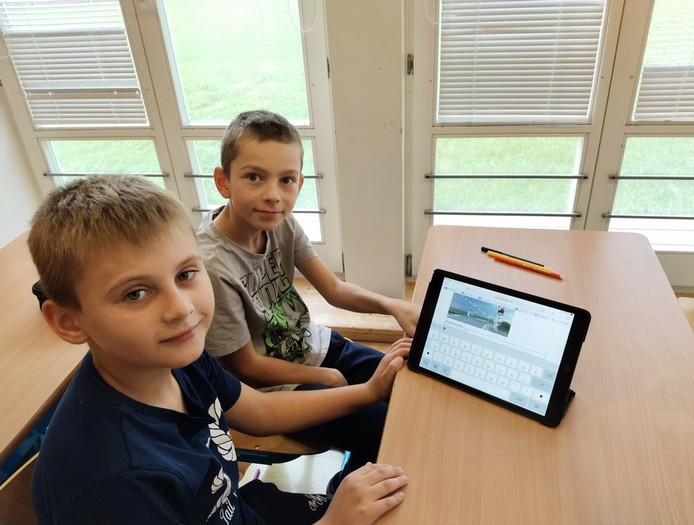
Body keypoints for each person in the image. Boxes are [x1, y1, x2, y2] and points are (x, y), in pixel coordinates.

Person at [28, 176, 410, 525]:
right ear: (69, 321)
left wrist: (368, 391)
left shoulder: (177, 360)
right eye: (135, 294)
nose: (181, 309)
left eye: (185, 275)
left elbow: (260, 410)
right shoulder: (114, 484)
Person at [196, 110, 420, 484]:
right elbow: (247, 367)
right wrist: (324, 375)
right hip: (278, 388)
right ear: (224, 182)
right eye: (254, 177)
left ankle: (360, 465)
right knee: (388, 428)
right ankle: (349, 484)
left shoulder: (281, 222)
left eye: (286, 180)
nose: (273, 195)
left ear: (299, 183)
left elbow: (334, 290)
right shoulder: (212, 266)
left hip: (316, 347)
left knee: (411, 388)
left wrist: (393, 305)